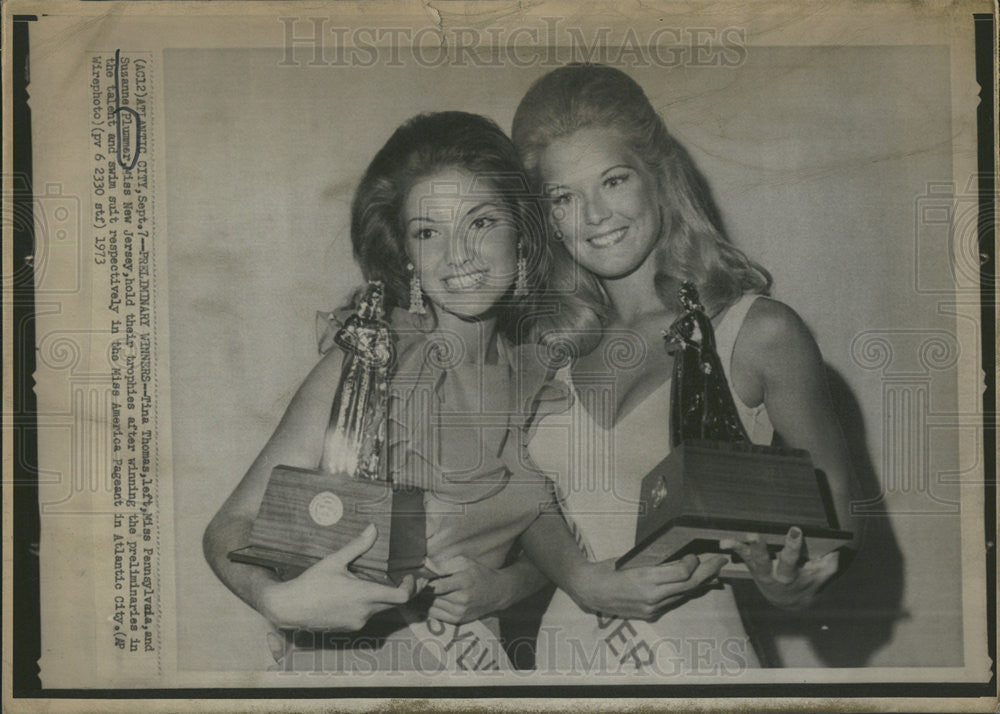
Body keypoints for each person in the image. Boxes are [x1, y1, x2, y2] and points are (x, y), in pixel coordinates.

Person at [202, 111, 725, 673]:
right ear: (407, 255)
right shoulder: (368, 363)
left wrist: (502, 589)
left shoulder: (541, 372)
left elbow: (541, 530)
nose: (459, 256)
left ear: (521, 238)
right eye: (429, 232)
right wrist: (278, 601)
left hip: (479, 675)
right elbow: (229, 527)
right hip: (357, 670)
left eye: (479, 223)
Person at [510, 64, 860, 673]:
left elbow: (837, 514)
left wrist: (794, 581)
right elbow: (520, 494)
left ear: (657, 176)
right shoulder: (544, 344)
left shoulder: (756, 332)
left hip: (696, 661)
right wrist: (578, 577)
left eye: (613, 181)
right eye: (564, 198)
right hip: (564, 657)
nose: (594, 216)